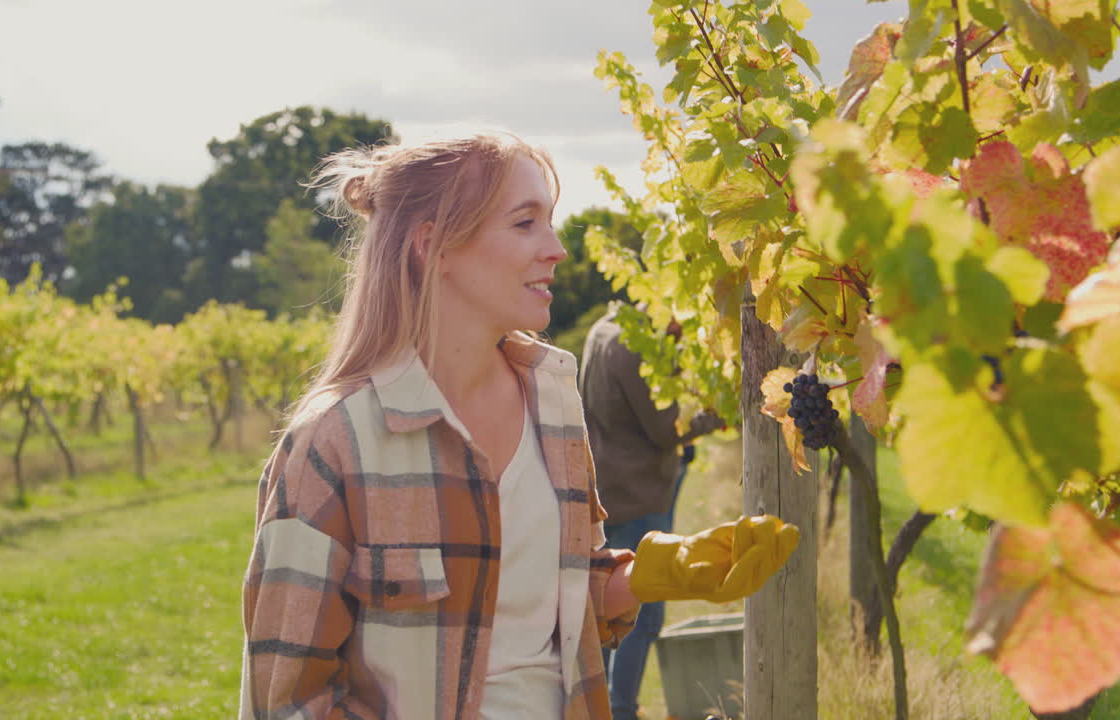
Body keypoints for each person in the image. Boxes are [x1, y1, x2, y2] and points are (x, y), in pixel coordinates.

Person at [239, 133, 799, 720]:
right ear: (436, 246)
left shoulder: (553, 403)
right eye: (525, 223)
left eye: (550, 222)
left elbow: (549, 604)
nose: (556, 249)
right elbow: (289, 701)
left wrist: (661, 572)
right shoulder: (334, 443)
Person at [580, 307, 725, 720]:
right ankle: (621, 710)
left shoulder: (603, 330)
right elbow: (666, 431)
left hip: (610, 487)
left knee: (609, 603)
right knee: (643, 613)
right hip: (639, 493)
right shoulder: (635, 346)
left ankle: (604, 707)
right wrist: (719, 414)